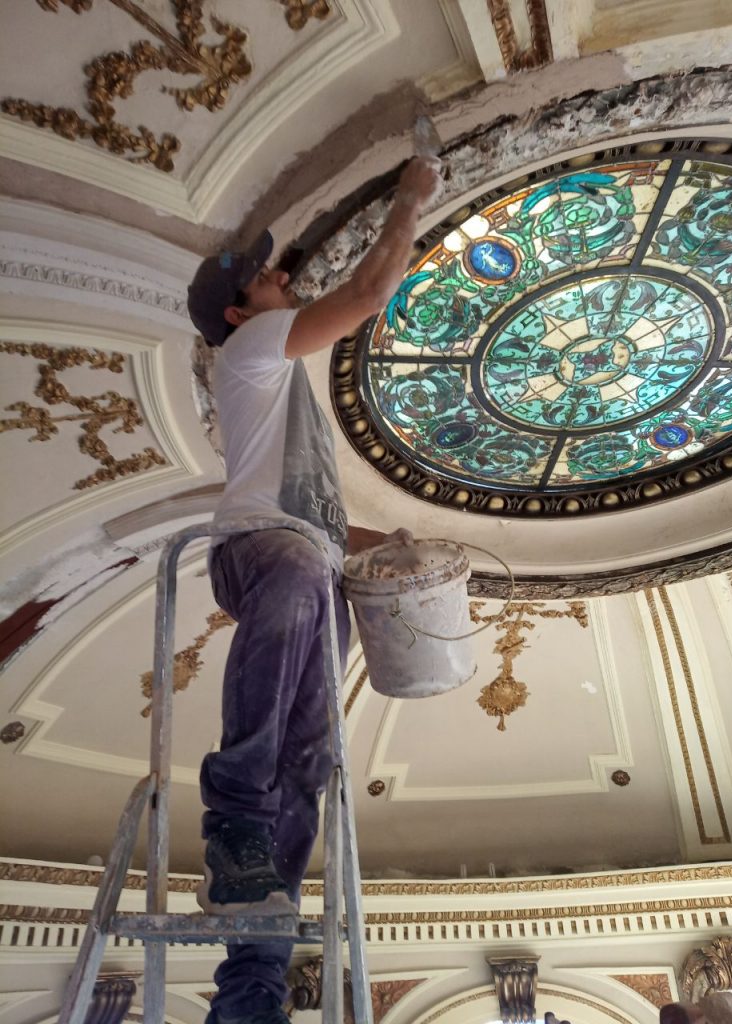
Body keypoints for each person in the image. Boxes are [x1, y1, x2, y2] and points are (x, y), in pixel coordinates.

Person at [186, 155, 442, 1024]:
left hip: (306, 555)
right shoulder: (251, 348)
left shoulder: (290, 393)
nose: (279, 277)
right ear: (235, 313)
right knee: (300, 570)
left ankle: (253, 978)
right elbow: (370, 293)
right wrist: (411, 198)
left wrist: (396, 543)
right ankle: (232, 823)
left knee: (313, 756)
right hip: (259, 553)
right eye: (261, 278)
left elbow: (325, 527)